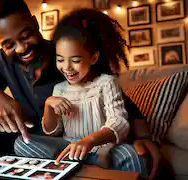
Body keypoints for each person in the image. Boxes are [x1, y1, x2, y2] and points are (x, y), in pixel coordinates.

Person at [0, 0, 161, 179]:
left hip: (64, 142)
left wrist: (145, 137)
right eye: (9, 44)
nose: (22, 49)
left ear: (34, 23)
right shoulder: (2, 62)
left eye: (25, 37)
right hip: (28, 139)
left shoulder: (67, 56)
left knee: (130, 157)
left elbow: (122, 105)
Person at [14, 8, 134, 171]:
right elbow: (53, 131)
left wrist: (89, 141)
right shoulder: (59, 89)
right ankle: (77, 164)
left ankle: (76, 166)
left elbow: (119, 122)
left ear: (94, 58)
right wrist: (49, 105)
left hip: (102, 148)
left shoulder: (106, 83)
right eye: (60, 60)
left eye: (75, 60)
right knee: (22, 142)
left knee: (132, 155)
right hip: (68, 147)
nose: (67, 68)